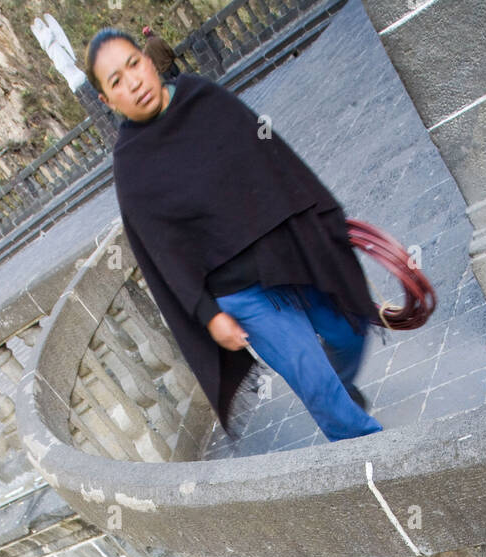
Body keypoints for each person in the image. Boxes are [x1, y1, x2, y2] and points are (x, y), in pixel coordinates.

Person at [85, 28, 383, 443]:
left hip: (288, 255)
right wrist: (210, 315)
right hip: (241, 294)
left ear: (149, 60)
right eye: (116, 81)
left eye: (134, 64)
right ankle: (381, 461)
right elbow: (162, 254)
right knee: (312, 379)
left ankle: (341, 390)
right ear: (107, 100)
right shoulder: (131, 165)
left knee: (350, 331)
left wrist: (324, 232)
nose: (133, 82)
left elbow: (273, 161)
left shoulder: (204, 99)